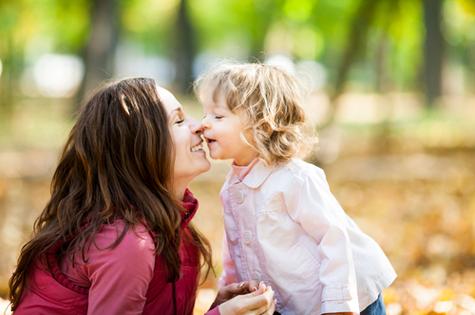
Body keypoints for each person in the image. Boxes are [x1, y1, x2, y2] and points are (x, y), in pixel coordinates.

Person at [8, 77, 275, 315]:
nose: (199, 127)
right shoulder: (126, 243)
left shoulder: (179, 233)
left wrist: (218, 306)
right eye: (179, 120)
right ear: (141, 149)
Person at [195, 63, 397, 315]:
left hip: (351, 296)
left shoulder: (295, 179)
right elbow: (235, 248)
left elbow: (333, 238)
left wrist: (338, 304)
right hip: (300, 302)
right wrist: (232, 293)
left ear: (261, 124)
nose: (203, 124)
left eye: (217, 116)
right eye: (205, 114)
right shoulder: (233, 187)